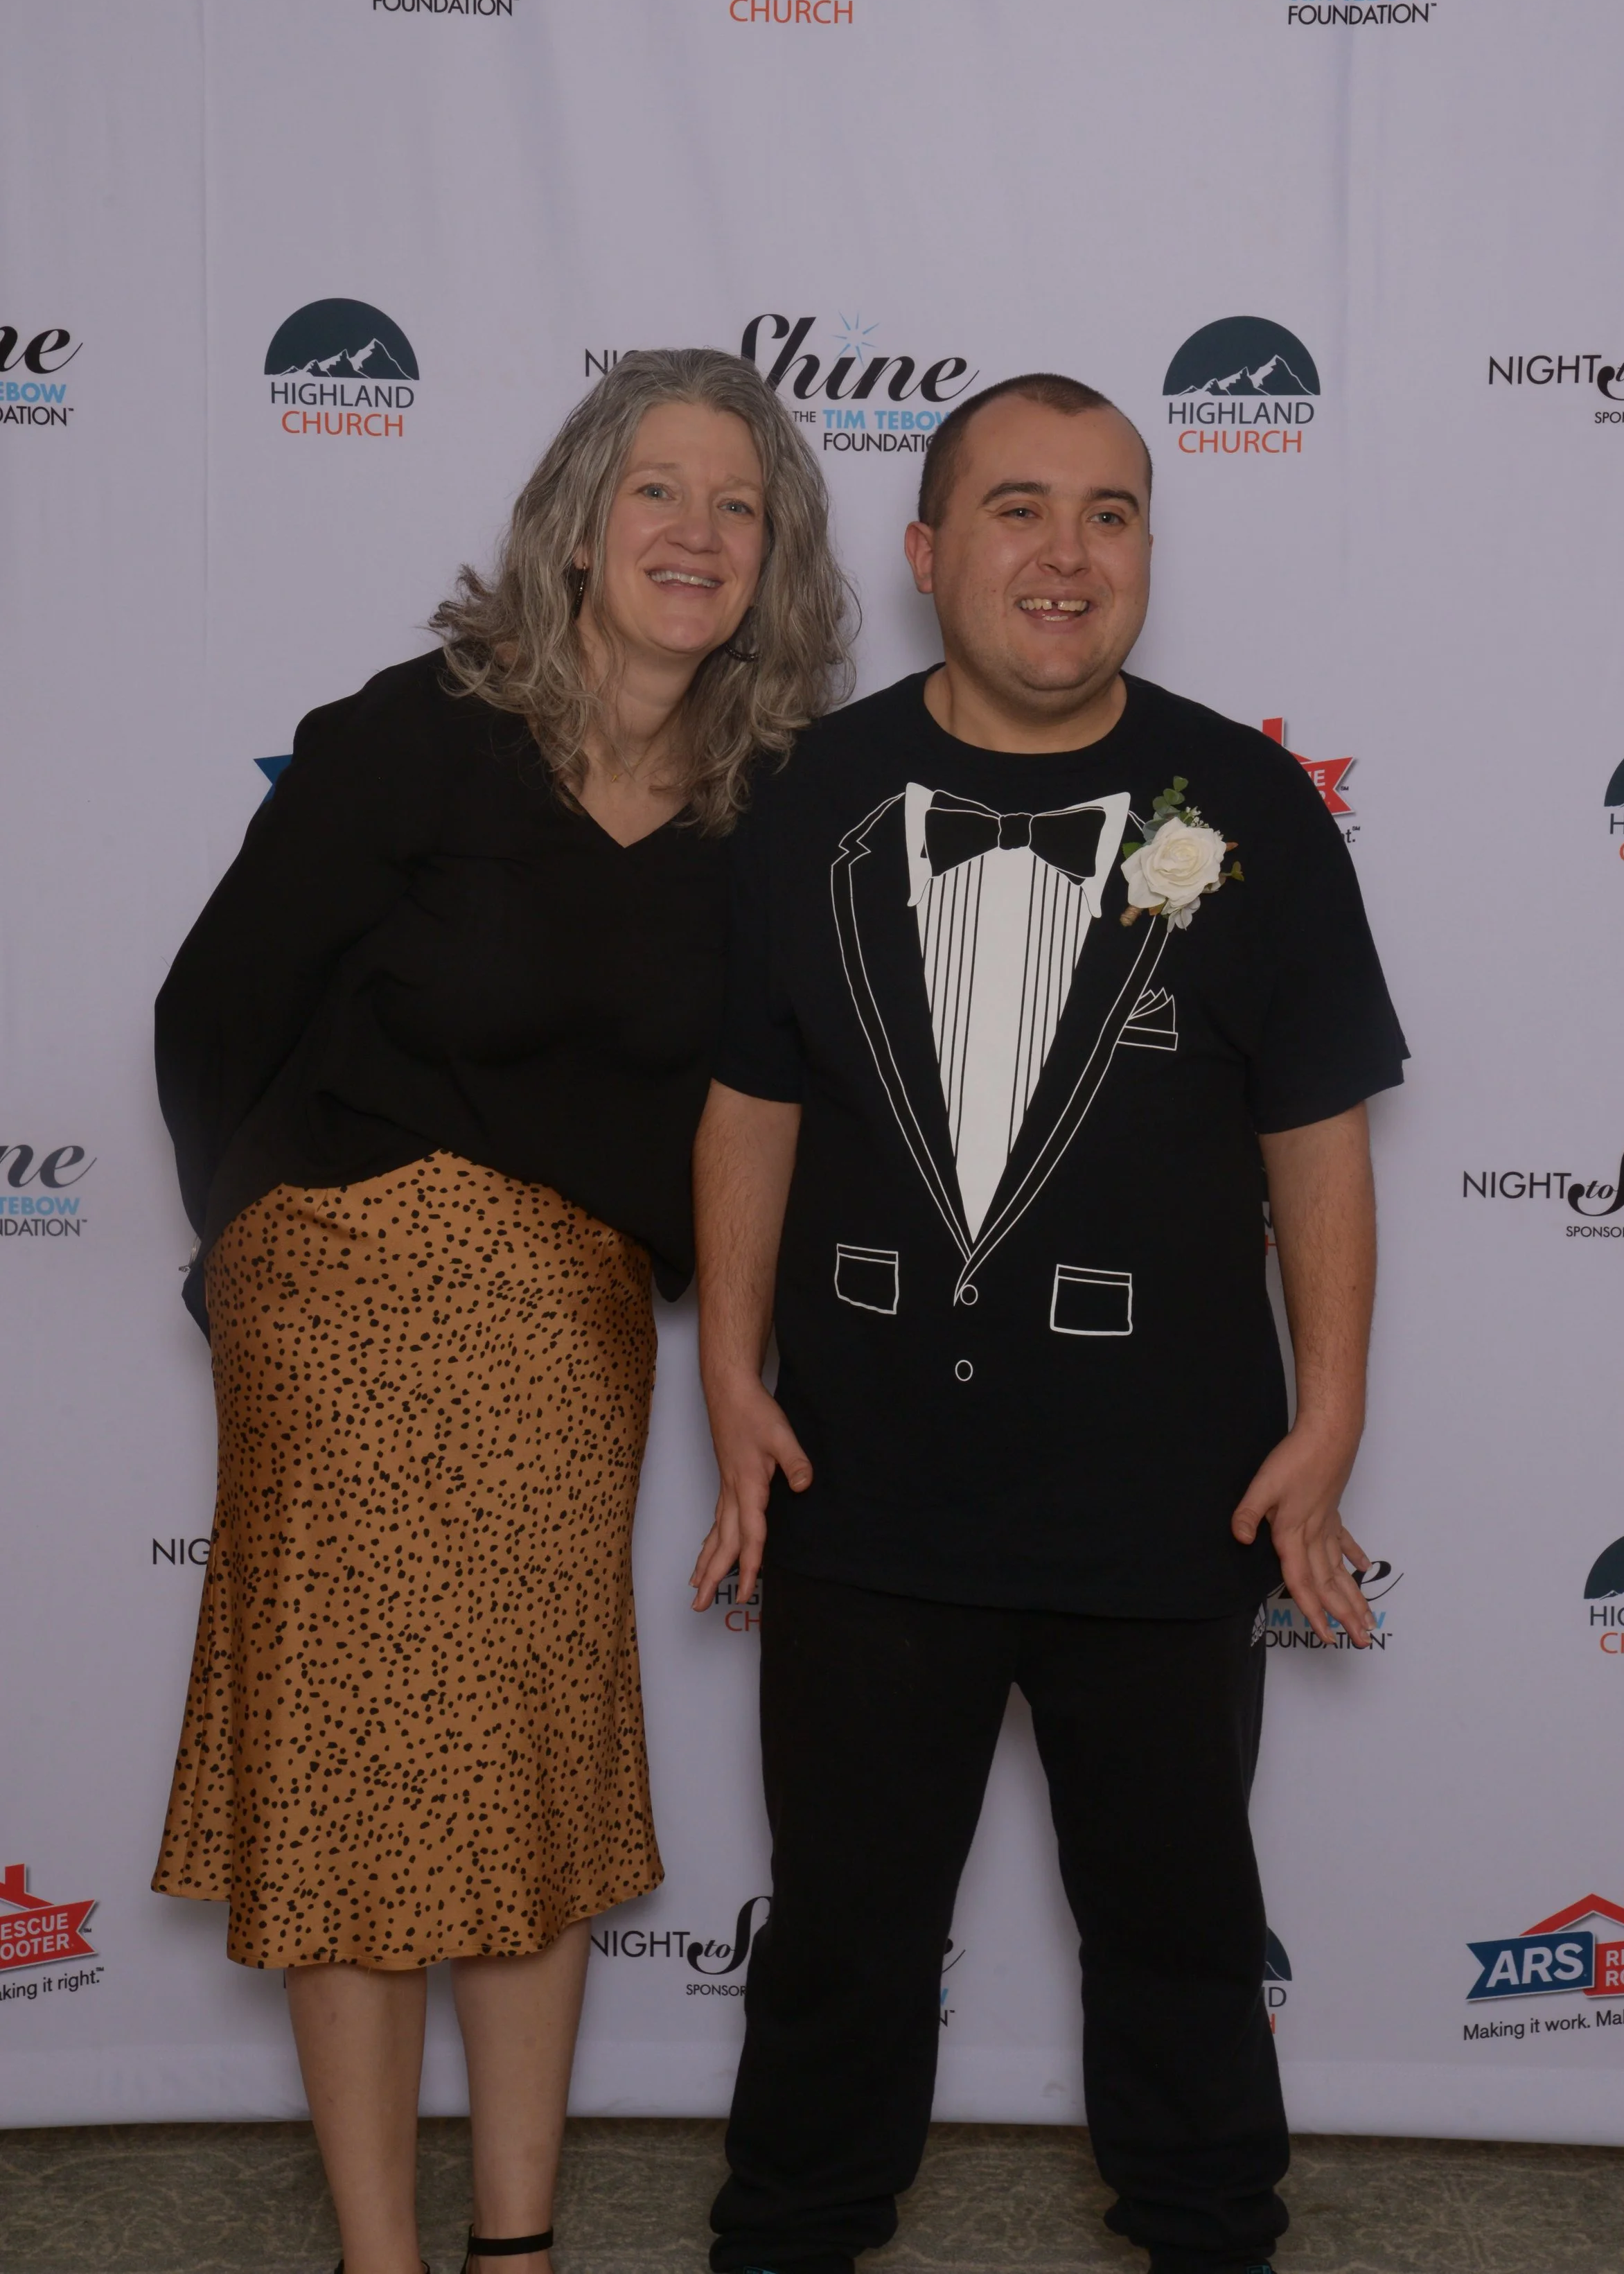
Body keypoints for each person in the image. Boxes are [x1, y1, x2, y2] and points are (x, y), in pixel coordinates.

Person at [689, 372, 1407, 2274]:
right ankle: (792, 2235)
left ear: (1146, 550)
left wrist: (1328, 1414)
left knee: (1180, 1931)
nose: (1066, 555)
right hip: (861, 1485)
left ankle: (1206, 2234)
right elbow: (750, 1101)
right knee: (839, 1933)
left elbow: (1316, 1129)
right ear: (927, 553)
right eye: (1018, 508)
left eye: (1109, 512)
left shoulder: (1249, 805)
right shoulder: (808, 796)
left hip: (1168, 1492)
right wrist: (729, 1373)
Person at [152, 349, 851, 2274]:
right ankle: (392, 2252)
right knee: (360, 1766)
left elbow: (770, 1109)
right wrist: (268, 1249)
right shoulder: (419, 734)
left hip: (569, 1316)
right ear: (576, 527)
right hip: (346, 1271)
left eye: (737, 504)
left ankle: (515, 2243)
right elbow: (213, 1014)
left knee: (526, 1762)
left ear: (776, 557)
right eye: (657, 490)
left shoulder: (771, 808)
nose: (695, 532)